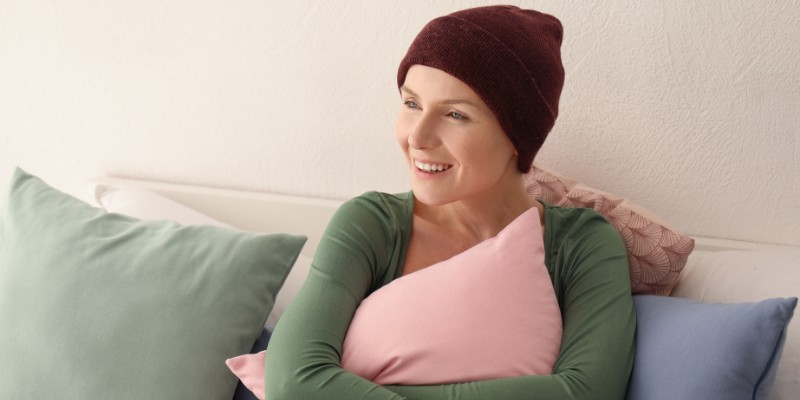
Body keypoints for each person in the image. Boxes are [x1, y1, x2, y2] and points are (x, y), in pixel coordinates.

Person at [265, 5, 635, 399]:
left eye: (455, 114)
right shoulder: (371, 223)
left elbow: (587, 392)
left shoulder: (581, 244)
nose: (418, 136)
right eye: (411, 104)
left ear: (518, 136)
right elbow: (292, 381)